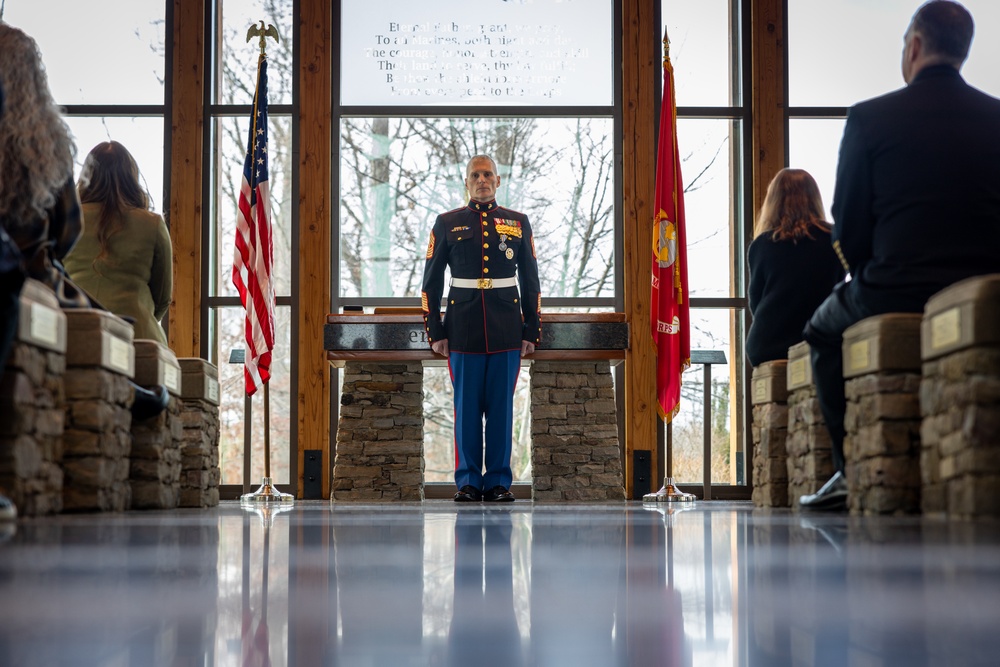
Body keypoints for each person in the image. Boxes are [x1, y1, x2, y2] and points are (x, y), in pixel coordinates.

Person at [800, 0, 1000, 511]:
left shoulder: (870, 117)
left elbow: (848, 225)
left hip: (895, 284)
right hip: (983, 284)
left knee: (820, 330)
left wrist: (864, 273)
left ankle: (847, 472)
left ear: (913, 46)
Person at [421, 154, 542, 502]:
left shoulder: (518, 222)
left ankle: (500, 482)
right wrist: (436, 330)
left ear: (498, 180)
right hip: (462, 329)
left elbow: (531, 281)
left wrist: (531, 330)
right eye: (475, 174)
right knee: (467, 410)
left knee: (502, 409)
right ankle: (470, 482)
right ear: (467, 182)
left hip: (506, 328)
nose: (482, 179)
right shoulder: (447, 223)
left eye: (488, 173)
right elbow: (430, 283)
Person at [64, 141, 173, 345]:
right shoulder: (152, 224)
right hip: (139, 340)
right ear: (131, 177)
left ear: (87, 176)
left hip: (75, 336)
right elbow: (163, 298)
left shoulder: (67, 220)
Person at [747, 168, 845, 367]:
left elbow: (756, 303)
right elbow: (838, 289)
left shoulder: (761, 245)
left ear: (773, 201)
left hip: (767, 346)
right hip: (818, 338)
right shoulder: (833, 238)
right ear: (814, 198)